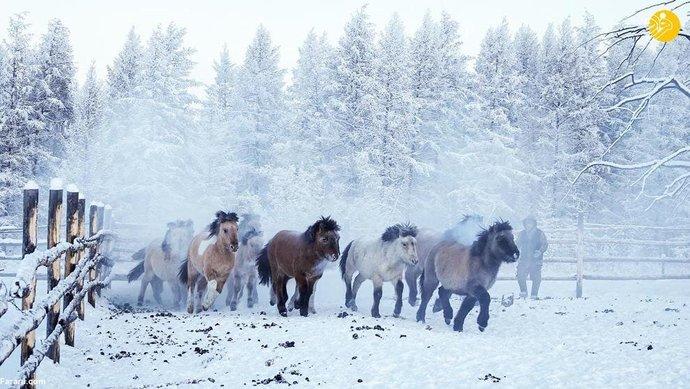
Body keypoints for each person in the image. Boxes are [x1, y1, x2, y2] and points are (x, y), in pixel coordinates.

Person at [516, 215, 548, 299]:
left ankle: (534, 295)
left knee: (536, 277)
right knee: (520, 274)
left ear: (534, 224)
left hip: (536, 259)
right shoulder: (522, 233)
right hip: (524, 259)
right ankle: (523, 292)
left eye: (530, 223)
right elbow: (517, 244)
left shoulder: (540, 233)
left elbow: (544, 244)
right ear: (524, 224)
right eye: (527, 223)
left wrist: (540, 251)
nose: (528, 225)